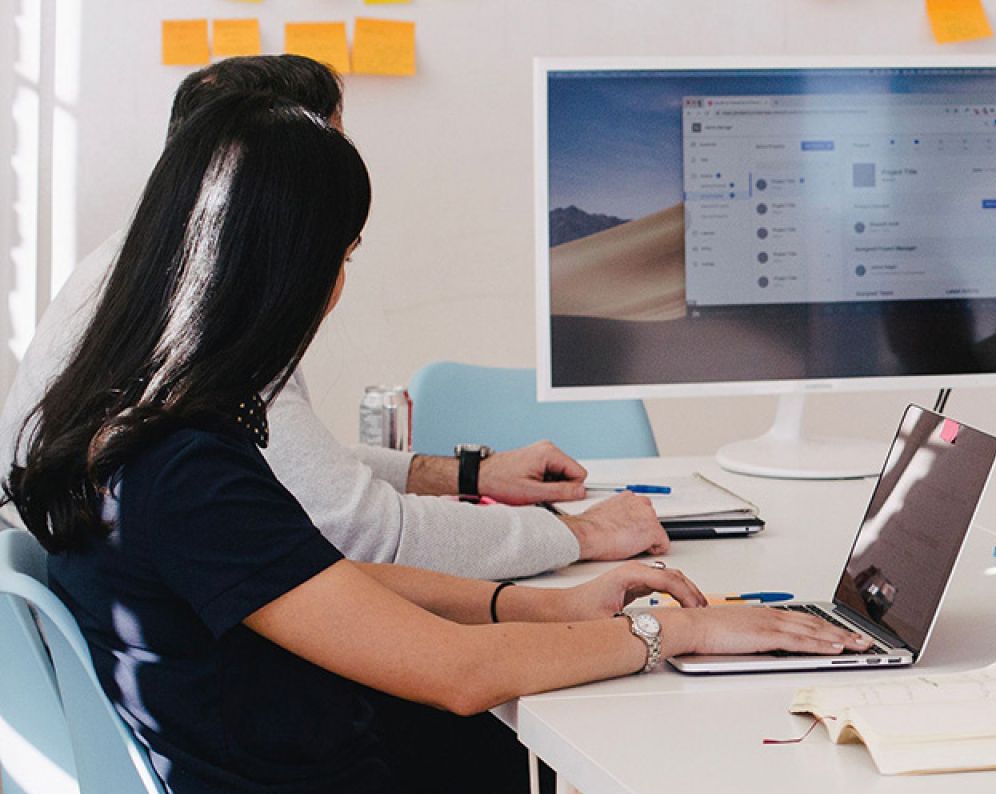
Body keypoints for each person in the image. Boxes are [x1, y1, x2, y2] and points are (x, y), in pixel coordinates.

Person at [6, 92, 872, 794]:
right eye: (342, 256)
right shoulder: (183, 469)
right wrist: (673, 634)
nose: (338, 288)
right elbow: (456, 674)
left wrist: (554, 606)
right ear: (283, 271)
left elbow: (318, 580)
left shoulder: (132, 424)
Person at [0, 55, 665, 581]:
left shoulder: (136, 273)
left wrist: (469, 476)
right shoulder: (204, 321)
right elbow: (366, 535)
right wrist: (579, 536)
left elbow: (281, 469)